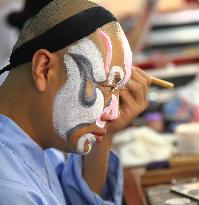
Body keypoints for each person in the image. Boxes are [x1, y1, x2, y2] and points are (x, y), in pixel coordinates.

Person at [0, 0, 151, 204]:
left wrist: (106, 134)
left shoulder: (36, 141)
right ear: (44, 70)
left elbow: (74, 199)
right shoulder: (14, 194)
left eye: (118, 90)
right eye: (107, 86)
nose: (113, 113)